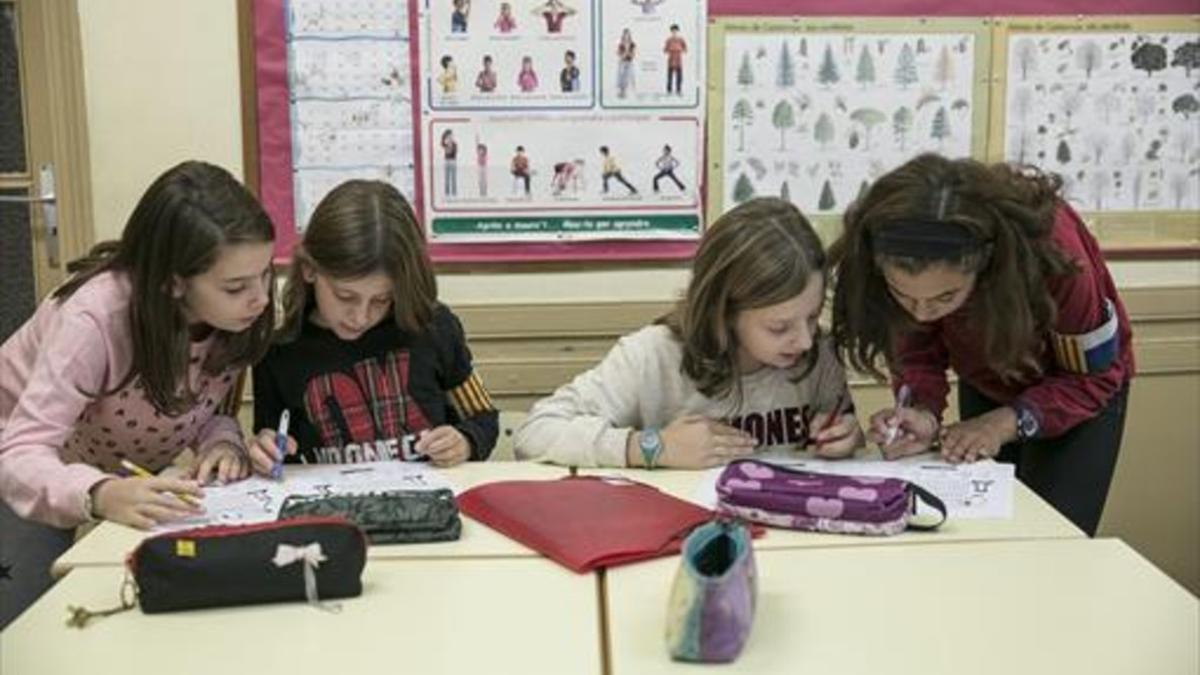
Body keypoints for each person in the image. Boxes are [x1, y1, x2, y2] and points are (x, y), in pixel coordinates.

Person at [0, 161, 276, 627]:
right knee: (23, 622)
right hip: (19, 463)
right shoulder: (93, 320)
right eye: (236, 286)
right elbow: (23, 450)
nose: (262, 298)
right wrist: (99, 492)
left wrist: (222, 441)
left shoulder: (236, 316)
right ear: (173, 282)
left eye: (267, 275)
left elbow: (198, 406)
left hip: (94, 467)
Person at [829, 153, 1134, 536]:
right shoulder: (903, 250)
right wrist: (922, 410)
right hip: (989, 375)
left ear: (985, 264)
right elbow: (916, 347)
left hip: (1082, 391)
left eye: (944, 298)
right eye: (904, 297)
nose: (922, 314)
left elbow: (1095, 378)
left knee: (1052, 540)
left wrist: (1004, 423)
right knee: (985, 531)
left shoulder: (1054, 254)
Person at [515, 197, 862, 467]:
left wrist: (848, 435)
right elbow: (535, 432)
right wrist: (652, 447)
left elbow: (846, 431)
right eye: (779, 327)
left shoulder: (820, 354)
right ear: (724, 311)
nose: (804, 340)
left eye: (813, 317)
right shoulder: (652, 355)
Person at [249, 180, 497, 470]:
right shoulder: (279, 352)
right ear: (309, 270)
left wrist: (466, 441)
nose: (361, 317)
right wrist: (265, 450)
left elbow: (483, 419)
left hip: (428, 503)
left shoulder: (433, 328)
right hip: (330, 507)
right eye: (345, 296)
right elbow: (271, 440)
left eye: (382, 299)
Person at [663, 24, 687, 95]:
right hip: (670, 60)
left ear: (678, 31)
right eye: (673, 31)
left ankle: (678, 90)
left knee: (679, 77)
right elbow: (665, 50)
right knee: (670, 76)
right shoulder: (668, 40)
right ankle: (669, 90)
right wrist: (670, 49)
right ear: (671, 31)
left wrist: (679, 49)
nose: (674, 32)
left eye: (675, 31)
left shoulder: (681, 40)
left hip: (678, 60)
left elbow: (685, 49)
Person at [616, 28, 636, 98]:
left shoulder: (632, 44)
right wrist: (624, 54)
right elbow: (618, 53)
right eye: (625, 34)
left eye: (628, 34)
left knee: (628, 76)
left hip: (629, 61)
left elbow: (633, 54)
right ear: (623, 35)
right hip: (622, 61)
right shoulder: (621, 44)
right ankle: (621, 91)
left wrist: (629, 54)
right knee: (621, 76)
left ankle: (625, 92)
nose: (626, 36)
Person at [441, 129, 458, 198]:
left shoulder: (454, 144)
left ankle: (454, 194)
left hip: (453, 161)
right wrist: (447, 144)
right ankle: (447, 194)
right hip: (446, 161)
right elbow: (447, 152)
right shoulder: (445, 144)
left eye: (451, 135)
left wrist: (450, 145)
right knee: (447, 178)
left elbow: (452, 153)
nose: (450, 137)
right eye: (449, 135)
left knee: (453, 178)